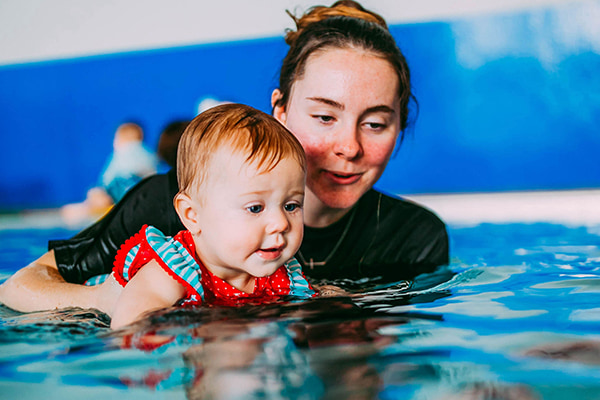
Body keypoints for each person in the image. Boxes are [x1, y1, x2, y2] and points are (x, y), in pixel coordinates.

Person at [0, 0, 449, 313]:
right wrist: (111, 301)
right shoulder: (168, 202)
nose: (349, 147)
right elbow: (18, 287)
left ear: (398, 128)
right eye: (324, 117)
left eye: (374, 123)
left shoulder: (411, 240)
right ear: (281, 111)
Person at [91, 104, 315, 328]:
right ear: (192, 215)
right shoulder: (173, 269)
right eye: (255, 208)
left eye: (291, 205)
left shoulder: (282, 274)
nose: (281, 223)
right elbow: (129, 328)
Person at [60, 122, 158, 225]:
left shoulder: (120, 155)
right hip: (143, 198)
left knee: (89, 197)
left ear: (119, 140)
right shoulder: (149, 155)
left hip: (116, 199)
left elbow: (106, 183)